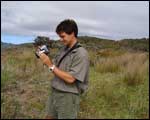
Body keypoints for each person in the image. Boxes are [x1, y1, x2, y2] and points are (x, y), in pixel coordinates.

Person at [38, 19, 89, 119]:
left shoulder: (81, 54)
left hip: (68, 96)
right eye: (59, 37)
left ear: (73, 33)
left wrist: (50, 65)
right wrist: (45, 57)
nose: (61, 39)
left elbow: (71, 79)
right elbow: (56, 67)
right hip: (55, 91)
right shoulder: (63, 50)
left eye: (63, 36)